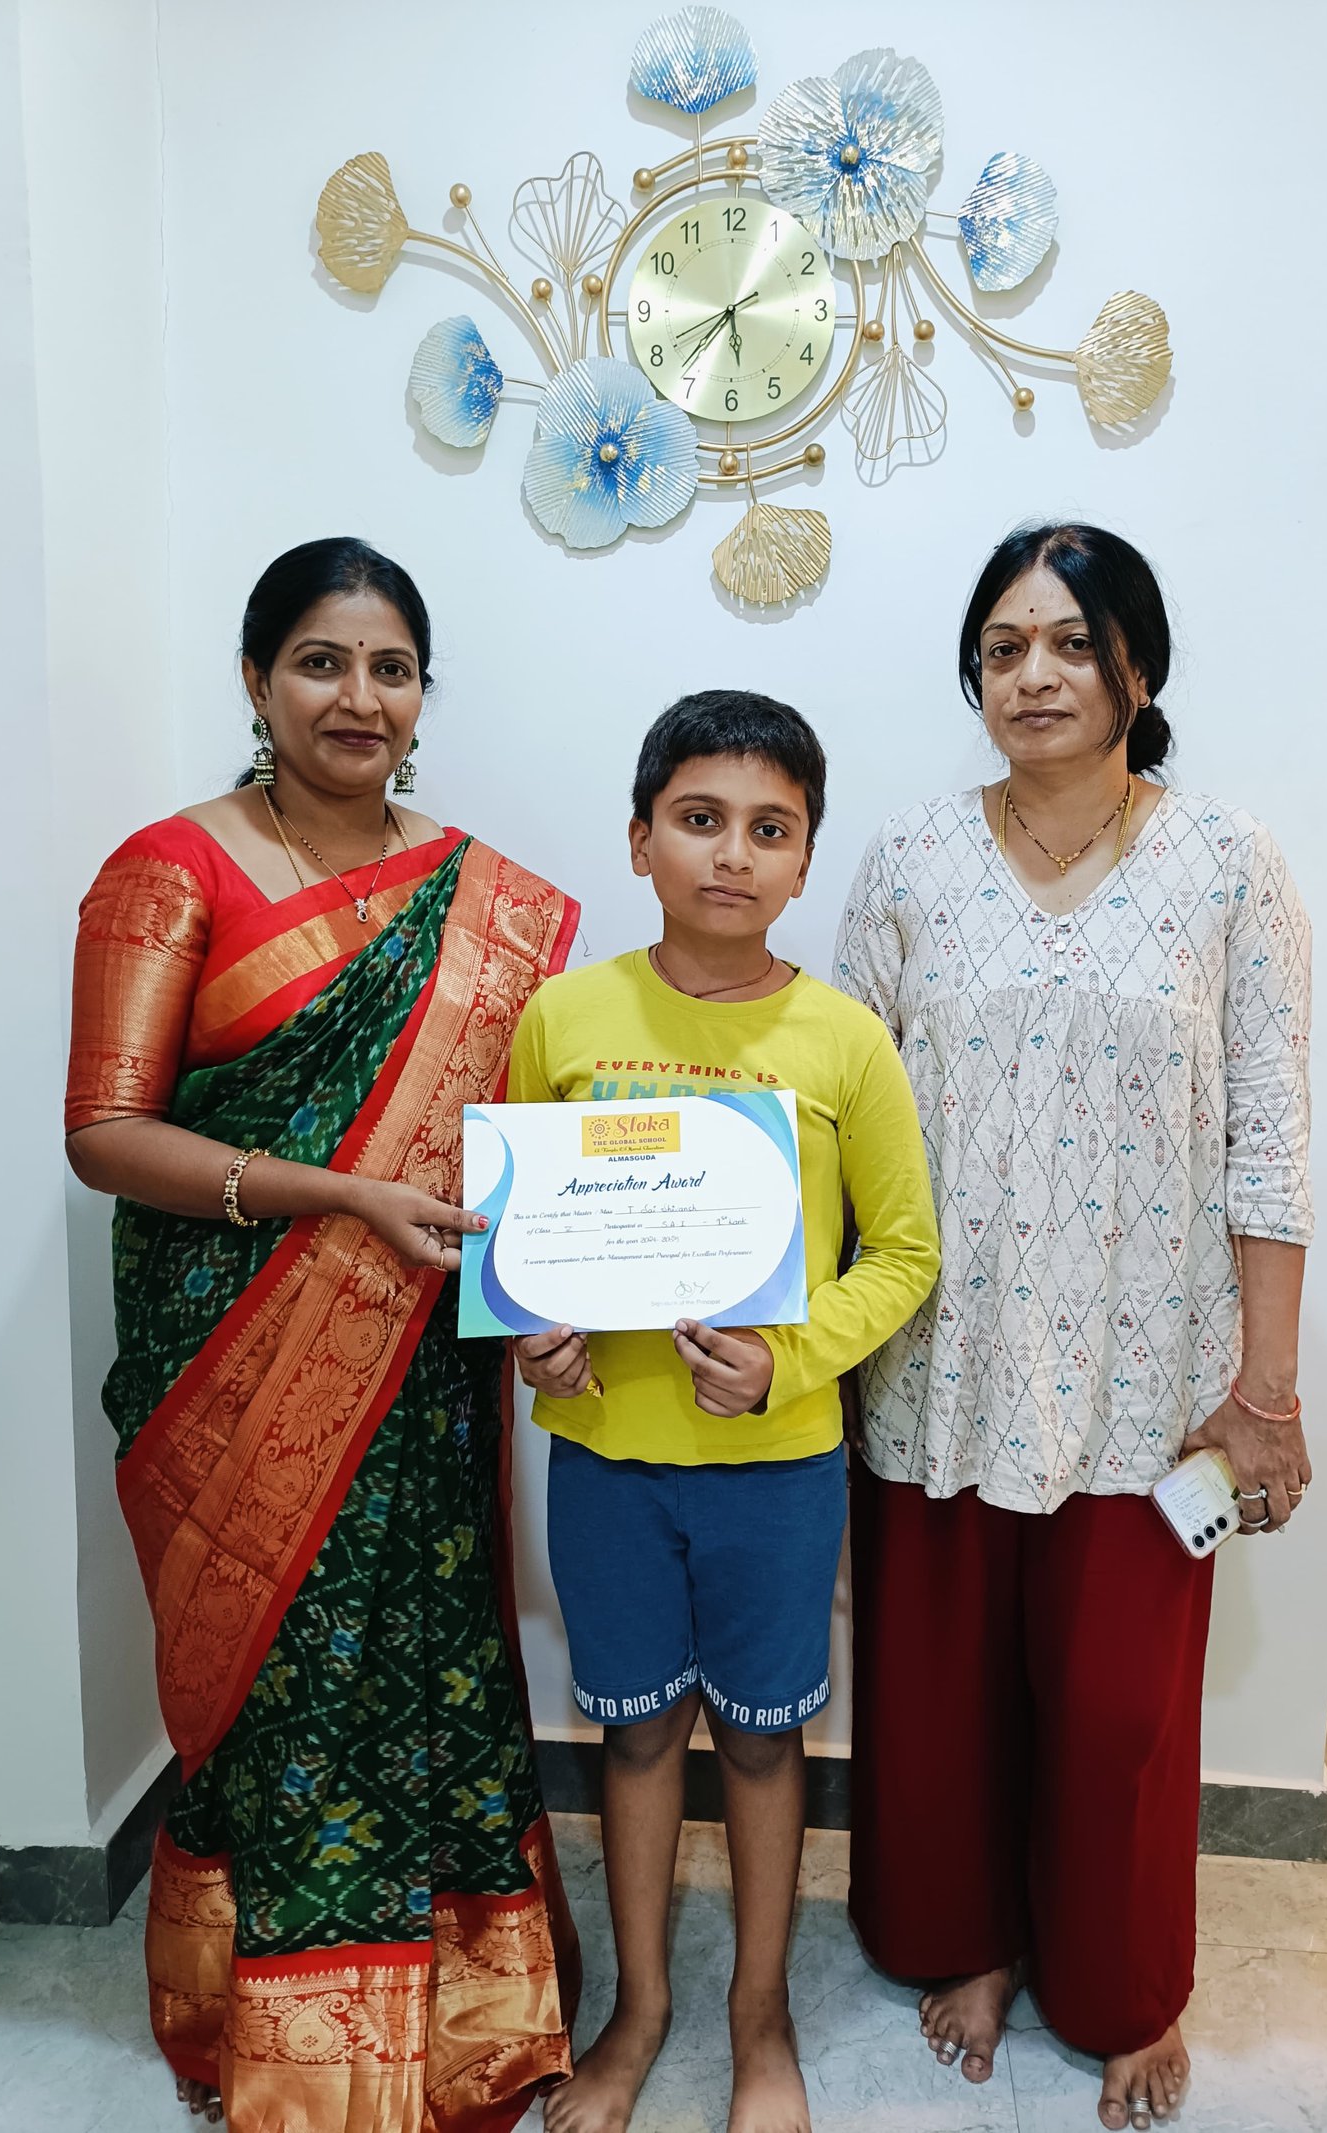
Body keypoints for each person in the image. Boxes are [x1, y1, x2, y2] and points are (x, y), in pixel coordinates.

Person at [64, 537, 581, 2133]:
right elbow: (105, 1132)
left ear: (423, 695)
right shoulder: (171, 870)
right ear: (256, 678)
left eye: (392, 668)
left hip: (424, 1361)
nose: (360, 696)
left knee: (433, 1656)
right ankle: (287, 2040)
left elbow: (517, 1136)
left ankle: (463, 2017)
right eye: (321, 661)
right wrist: (334, 1193)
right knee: (281, 1684)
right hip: (230, 1357)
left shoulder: (483, 894)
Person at [834, 524, 1314, 2133]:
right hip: (937, 1358)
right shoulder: (909, 858)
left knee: (1119, 1712)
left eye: (1068, 642)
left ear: (1138, 669)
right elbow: (835, 1117)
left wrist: (1265, 1389)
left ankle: (1116, 1981)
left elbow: (1270, 1141)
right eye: (1002, 647)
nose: (1031, 673)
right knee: (940, 1691)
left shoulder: (1230, 863)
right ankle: (968, 1941)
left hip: (1147, 1378)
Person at [508, 691, 940, 2133]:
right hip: (609, 1465)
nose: (733, 854)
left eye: (770, 828)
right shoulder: (565, 1017)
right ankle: (640, 2009)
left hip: (774, 1469)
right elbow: (523, 1244)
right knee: (634, 1738)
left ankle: (761, 2019)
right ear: (642, 839)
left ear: (806, 859)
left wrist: (791, 1358)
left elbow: (906, 1253)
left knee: (760, 1742)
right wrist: (538, 1341)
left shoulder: (845, 1041)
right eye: (700, 820)